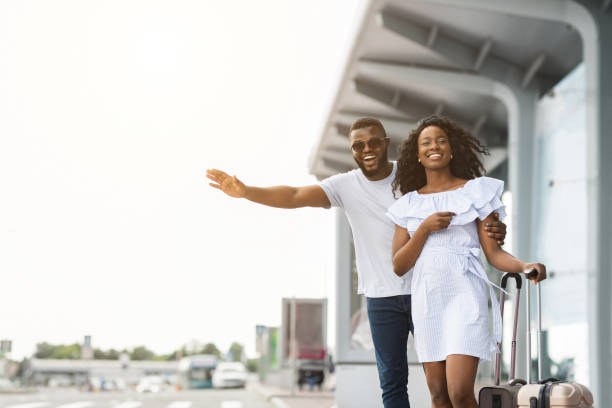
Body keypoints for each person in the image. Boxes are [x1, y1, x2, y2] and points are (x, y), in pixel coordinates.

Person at [206, 117, 507, 407]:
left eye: (374, 143)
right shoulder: (345, 185)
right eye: (358, 146)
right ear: (352, 150)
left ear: (386, 143)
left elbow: (454, 199)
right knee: (392, 383)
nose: (367, 150)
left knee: (440, 386)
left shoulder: (413, 176)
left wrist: (493, 226)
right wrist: (247, 192)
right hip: (381, 298)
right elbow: (296, 194)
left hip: (427, 292)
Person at [387, 115, 546, 408]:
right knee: (438, 395)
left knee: (459, 392)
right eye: (426, 142)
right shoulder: (408, 205)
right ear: (417, 155)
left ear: (452, 149)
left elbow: (494, 254)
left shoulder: (476, 192)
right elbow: (398, 265)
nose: (434, 146)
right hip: (428, 301)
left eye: (441, 140)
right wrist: (424, 228)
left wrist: (525, 266)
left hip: (465, 296)